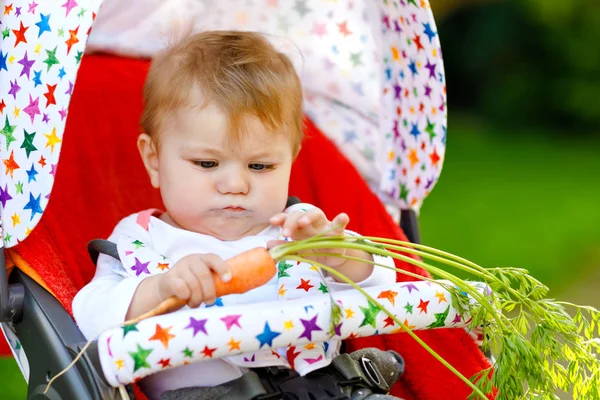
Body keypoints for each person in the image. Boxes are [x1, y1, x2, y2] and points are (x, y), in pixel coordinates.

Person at [72, 30, 396, 399]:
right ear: (154, 160)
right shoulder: (142, 240)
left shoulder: (300, 229)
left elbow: (384, 278)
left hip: (322, 388)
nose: (235, 184)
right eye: (207, 163)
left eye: (260, 166)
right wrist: (161, 289)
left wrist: (336, 253)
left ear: (291, 160)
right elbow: (90, 317)